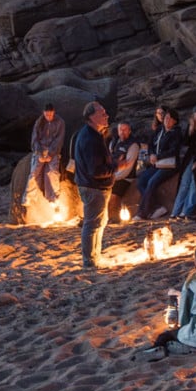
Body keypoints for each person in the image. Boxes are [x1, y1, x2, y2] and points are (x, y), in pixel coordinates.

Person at [71, 101, 114, 270]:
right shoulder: (90, 138)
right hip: (94, 187)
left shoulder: (93, 135)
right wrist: (116, 167)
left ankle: (94, 256)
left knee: (99, 222)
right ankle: (89, 260)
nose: (106, 115)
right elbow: (95, 170)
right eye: (102, 113)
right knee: (92, 223)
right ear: (91, 117)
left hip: (95, 187)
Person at [134, 106, 183, 220]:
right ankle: (157, 207)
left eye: (170, 118)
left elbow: (174, 150)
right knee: (141, 181)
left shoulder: (176, 133)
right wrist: (151, 154)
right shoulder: (159, 130)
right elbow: (151, 144)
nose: (167, 120)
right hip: (157, 163)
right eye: (166, 117)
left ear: (175, 121)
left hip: (169, 165)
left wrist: (158, 156)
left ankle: (142, 213)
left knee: (152, 182)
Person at [26, 103, 67, 206]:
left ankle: (53, 198)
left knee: (52, 173)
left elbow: (59, 140)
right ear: (43, 113)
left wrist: (51, 154)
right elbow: (35, 139)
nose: (48, 117)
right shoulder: (39, 122)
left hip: (53, 151)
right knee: (34, 172)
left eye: (50, 115)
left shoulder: (60, 122)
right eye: (46, 115)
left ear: (54, 112)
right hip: (40, 150)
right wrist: (39, 153)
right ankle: (29, 198)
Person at [108, 120, 143, 222]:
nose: (122, 132)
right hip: (112, 174)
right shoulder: (114, 142)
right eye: (120, 130)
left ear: (129, 131)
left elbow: (128, 168)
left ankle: (114, 216)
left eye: (125, 130)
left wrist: (114, 177)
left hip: (126, 177)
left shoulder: (133, 145)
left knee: (113, 194)